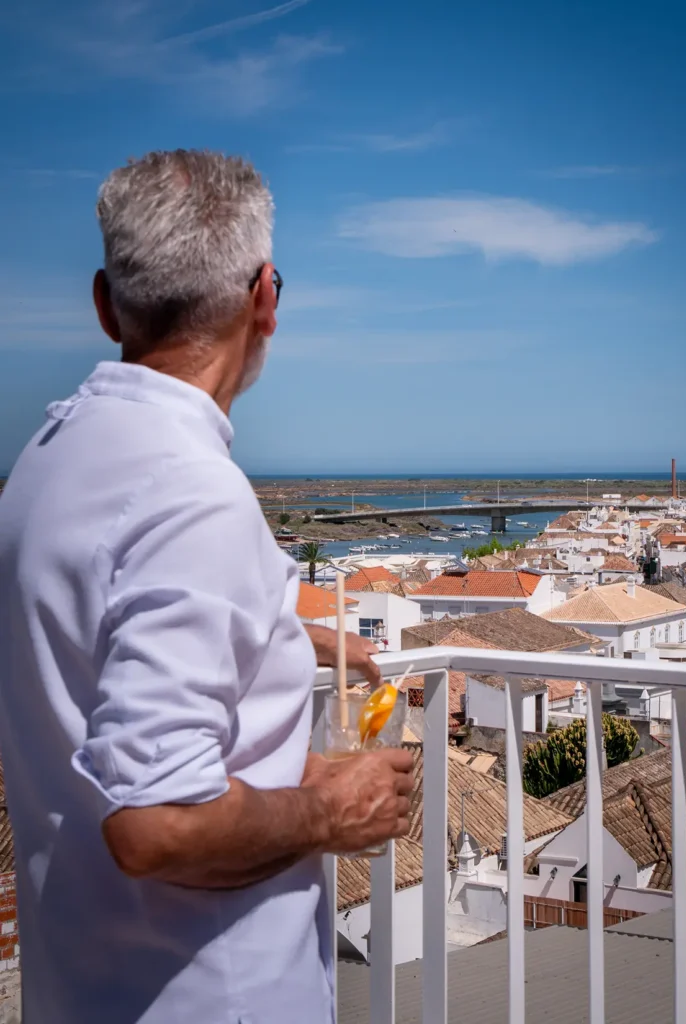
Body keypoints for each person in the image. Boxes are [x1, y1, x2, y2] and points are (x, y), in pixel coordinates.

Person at [0, 150, 414, 1024]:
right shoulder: (192, 491)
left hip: (78, 986)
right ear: (265, 298)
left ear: (106, 303)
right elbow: (157, 825)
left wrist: (285, 675)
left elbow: (100, 684)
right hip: (209, 996)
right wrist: (329, 811)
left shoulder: (43, 463)